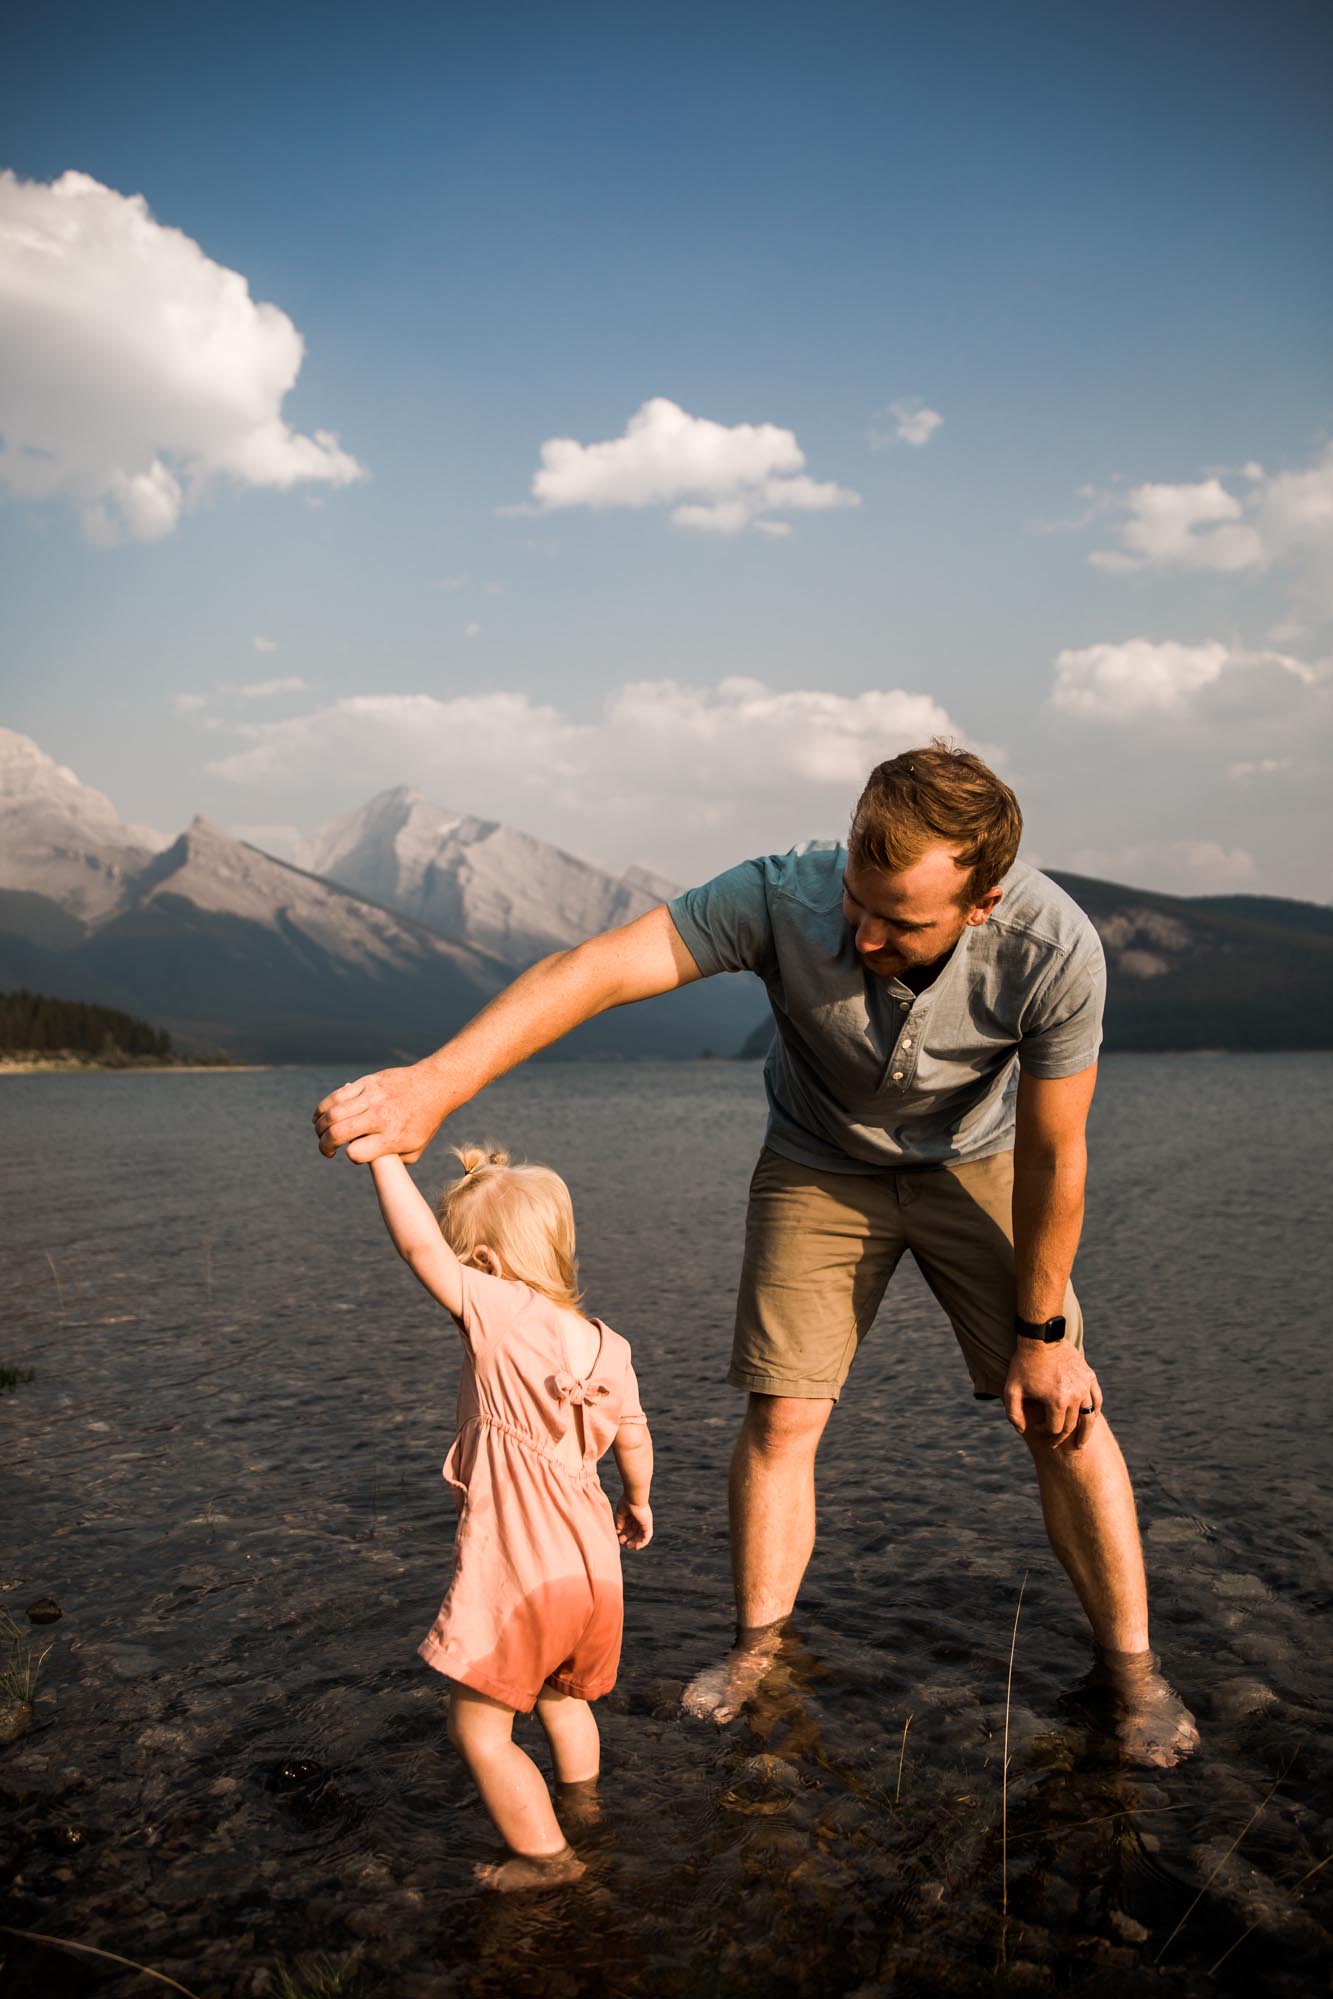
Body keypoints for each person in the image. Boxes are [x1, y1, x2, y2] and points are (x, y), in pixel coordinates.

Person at [318, 744, 1196, 1769]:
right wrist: (437, 1083)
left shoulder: (1054, 950)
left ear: (982, 901)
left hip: (980, 1163)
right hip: (818, 1162)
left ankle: (1131, 1671)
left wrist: (1042, 1334)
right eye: (856, 905)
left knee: (1061, 1407)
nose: (862, 934)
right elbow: (597, 969)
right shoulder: (781, 894)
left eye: (899, 921)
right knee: (782, 1410)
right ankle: (760, 1651)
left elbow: (1054, 1152)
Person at [366, 1140, 654, 1889]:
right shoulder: (608, 1344)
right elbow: (635, 1433)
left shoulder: (495, 1311)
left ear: (487, 1264)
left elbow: (414, 1244)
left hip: (522, 1570)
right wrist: (639, 1499)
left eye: (468, 1266)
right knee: (563, 1702)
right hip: (595, 1570)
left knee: (479, 1730)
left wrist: (379, 1159)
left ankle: (548, 1858)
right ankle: (585, 1806)